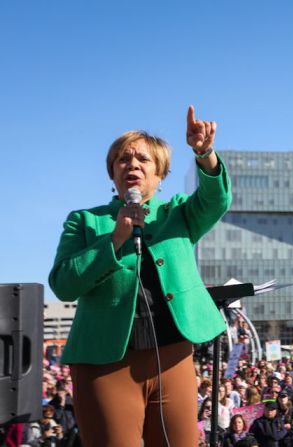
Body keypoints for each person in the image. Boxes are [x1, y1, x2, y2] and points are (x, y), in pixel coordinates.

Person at [48, 106, 231, 446]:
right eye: (123, 159)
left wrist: (204, 154)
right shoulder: (85, 221)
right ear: (112, 173)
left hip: (173, 354)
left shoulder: (178, 213)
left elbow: (215, 199)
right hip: (105, 361)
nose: (132, 164)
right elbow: (63, 284)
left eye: (143, 160)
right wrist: (116, 238)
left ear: (160, 175)